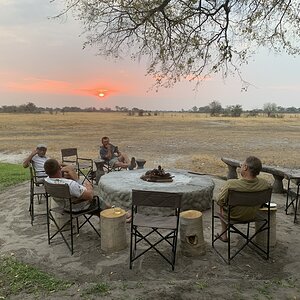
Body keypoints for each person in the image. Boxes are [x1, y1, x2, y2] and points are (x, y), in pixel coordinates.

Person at [216, 156, 271, 242]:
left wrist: (222, 193)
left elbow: (219, 201)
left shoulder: (231, 184)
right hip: (255, 215)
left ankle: (224, 235)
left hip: (233, 216)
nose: (241, 166)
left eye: (242, 165)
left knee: (221, 204)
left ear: (245, 167)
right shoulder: (265, 184)